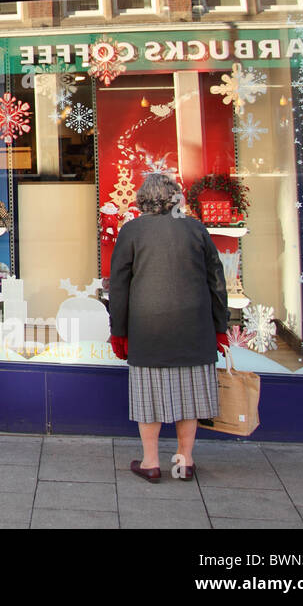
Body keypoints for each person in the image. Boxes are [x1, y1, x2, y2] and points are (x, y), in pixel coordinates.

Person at [108, 173, 229, 482]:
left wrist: (118, 330)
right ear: (175, 198)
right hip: (194, 326)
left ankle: (150, 462)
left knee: (148, 397)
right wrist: (220, 325)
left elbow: (120, 286)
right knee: (190, 397)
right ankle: (184, 461)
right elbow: (216, 281)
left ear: (143, 199)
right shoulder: (195, 229)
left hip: (148, 328)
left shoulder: (132, 231)